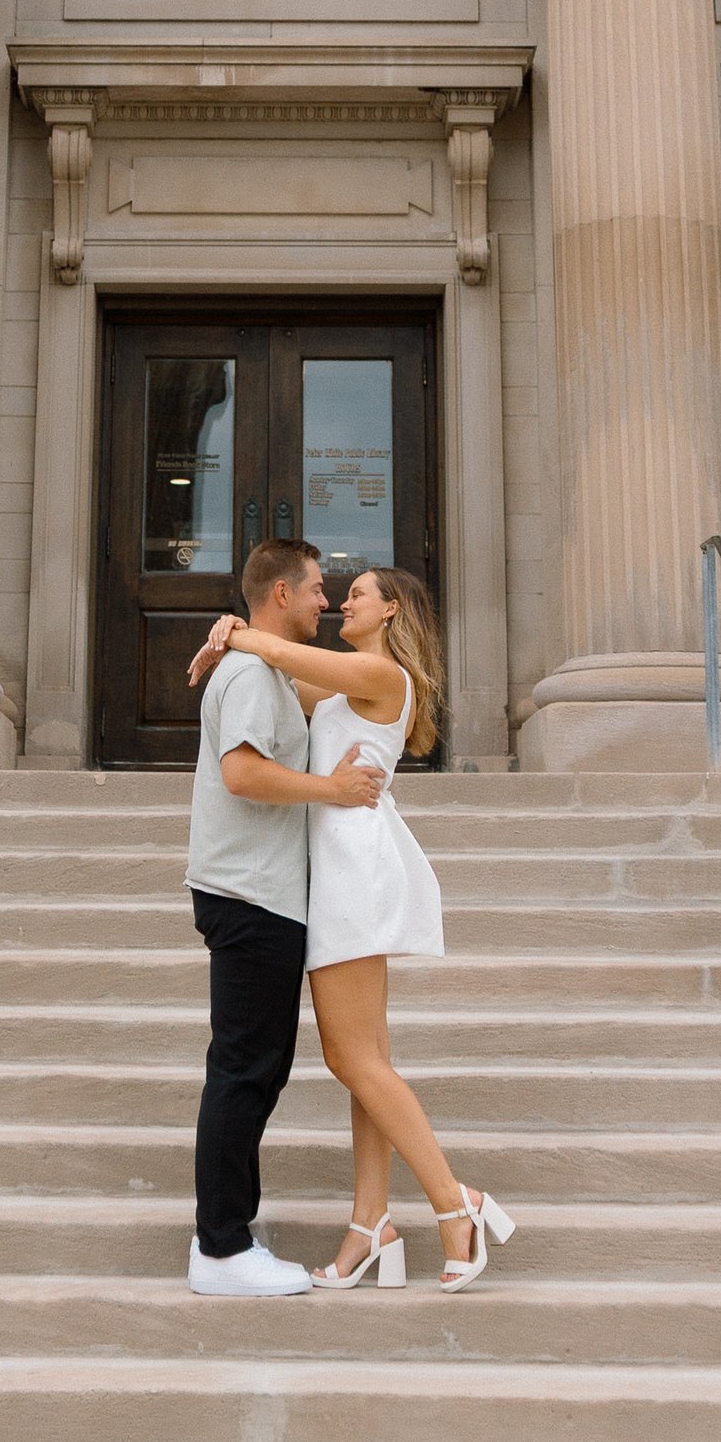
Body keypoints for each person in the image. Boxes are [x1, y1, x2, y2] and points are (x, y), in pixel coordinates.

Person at [195, 563, 517, 1291]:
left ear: (391, 610)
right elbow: (280, 676)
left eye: (359, 594)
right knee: (367, 1060)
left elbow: (277, 652)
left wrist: (235, 630)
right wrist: (237, 635)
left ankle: (455, 1203)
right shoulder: (347, 684)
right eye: (336, 593)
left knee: (352, 1059)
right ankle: (370, 1223)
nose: (342, 601)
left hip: (351, 870)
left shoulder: (381, 676)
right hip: (337, 865)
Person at [184, 537, 388, 1297]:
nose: (325, 601)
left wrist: (234, 632)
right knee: (244, 1070)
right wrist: (331, 790)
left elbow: (326, 697)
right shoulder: (247, 675)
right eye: (315, 588)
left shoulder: (263, 668)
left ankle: (226, 1238)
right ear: (280, 593)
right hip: (247, 895)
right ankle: (221, 1249)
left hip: (266, 895)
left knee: (257, 1070)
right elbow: (241, 773)